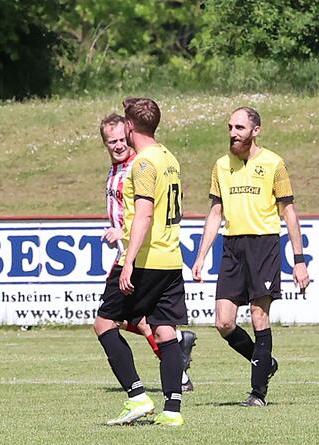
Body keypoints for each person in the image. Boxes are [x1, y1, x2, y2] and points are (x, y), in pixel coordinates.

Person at [192, 106, 310, 406]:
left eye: (240, 128)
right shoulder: (221, 165)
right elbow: (215, 212)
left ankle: (257, 394)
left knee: (259, 315)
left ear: (255, 130)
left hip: (263, 246)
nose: (233, 133)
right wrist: (201, 255)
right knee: (224, 322)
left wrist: (299, 260)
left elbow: (289, 213)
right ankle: (265, 363)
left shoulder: (274, 164)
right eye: (230, 127)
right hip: (232, 247)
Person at [93, 97, 187, 427]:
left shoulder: (144, 163)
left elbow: (144, 214)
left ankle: (136, 396)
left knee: (104, 323)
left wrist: (128, 261)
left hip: (145, 258)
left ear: (130, 127)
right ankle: (172, 411)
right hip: (171, 257)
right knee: (165, 331)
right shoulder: (169, 158)